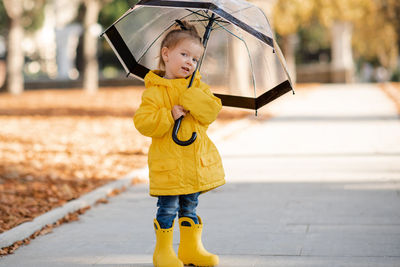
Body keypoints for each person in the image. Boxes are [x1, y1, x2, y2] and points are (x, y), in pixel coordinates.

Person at [133, 20, 225, 267]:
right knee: (167, 209)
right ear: (166, 54)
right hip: (169, 165)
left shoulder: (198, 88)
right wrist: (168, 115)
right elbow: (143, 123)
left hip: (193, 164)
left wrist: (192, 96)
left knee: (190, 208)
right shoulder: (154, 91)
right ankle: (163, 252)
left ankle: (190, 249)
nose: (189, 62)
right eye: (184, 54)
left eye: (195, 59)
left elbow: (211, 112)